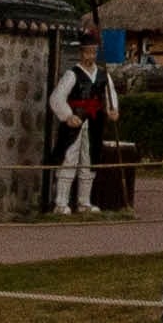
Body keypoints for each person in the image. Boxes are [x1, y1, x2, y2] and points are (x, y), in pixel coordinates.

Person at [46, 46, 111, 215]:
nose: (90, 56)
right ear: (81, 54)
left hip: (95, 123)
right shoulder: (72, 74)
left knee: (89, 161)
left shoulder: (103, 75)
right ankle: (61, 203)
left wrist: (113, 109)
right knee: (69, 159)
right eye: (87, 53)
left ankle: (84, 202)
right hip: (75, 122)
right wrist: (68, 116)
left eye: (93, 53)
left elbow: (110, 96)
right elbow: (57, 97)